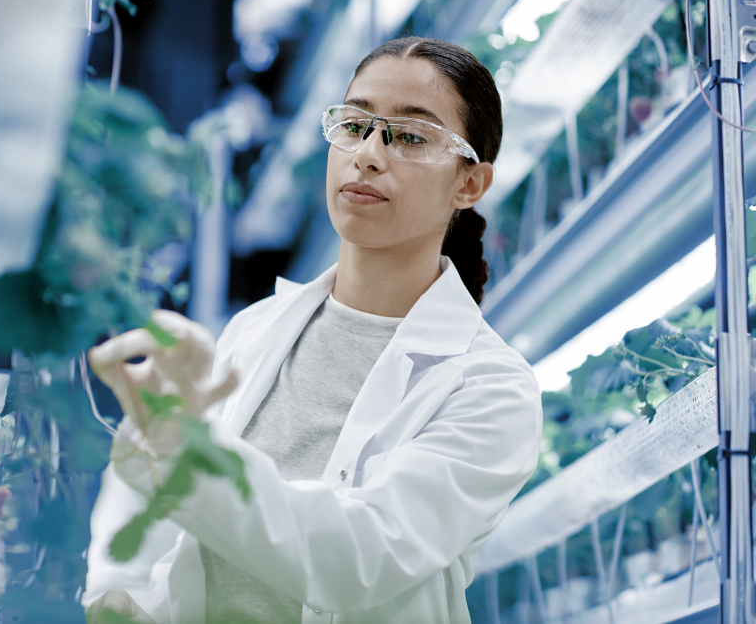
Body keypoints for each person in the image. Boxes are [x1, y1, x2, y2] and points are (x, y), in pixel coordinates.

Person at [83, 37, 542, 624]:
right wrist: (116, 599)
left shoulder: (491, 390)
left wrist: (187, 448)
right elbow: (149, 512)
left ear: (470, 184)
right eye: (355, 124)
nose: (369, 154)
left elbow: (358, 560)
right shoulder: (254, 329)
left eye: (410, 136)